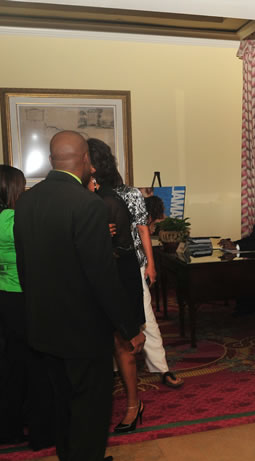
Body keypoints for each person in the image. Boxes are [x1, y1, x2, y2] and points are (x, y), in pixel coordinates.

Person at [14, 131, 145, 461]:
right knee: (90, 408)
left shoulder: (27, 202)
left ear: (53, 158)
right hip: (83, 330)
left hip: (43, 326)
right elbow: (101, 278)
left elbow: (26, 268)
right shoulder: (87, 205)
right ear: (86, 159)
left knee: (63, 406)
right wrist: (129, 328)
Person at [87, 139, 183, 389]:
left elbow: (143, 230)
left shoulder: (129, 193)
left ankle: (161, 368)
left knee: (145, 318)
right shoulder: (85, 193)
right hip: (100, 266)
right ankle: (117, 368)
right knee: (106, 320)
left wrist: (151, 265)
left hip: (133, 264)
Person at [0, 164, 54, 451]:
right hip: (22, 298)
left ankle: (4, 428)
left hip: (4, 296)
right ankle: (41, 432)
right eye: (21, 187)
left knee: (15, 367)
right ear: (9, 188)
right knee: (36, 368)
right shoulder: (11, 219)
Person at [87, 142, 147, 433]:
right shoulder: (86, 198)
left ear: (93, 166)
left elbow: (119, 251)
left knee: (124, 346)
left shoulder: (109, 200)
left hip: (118, 281)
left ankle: (133, 405)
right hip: (94, 284)